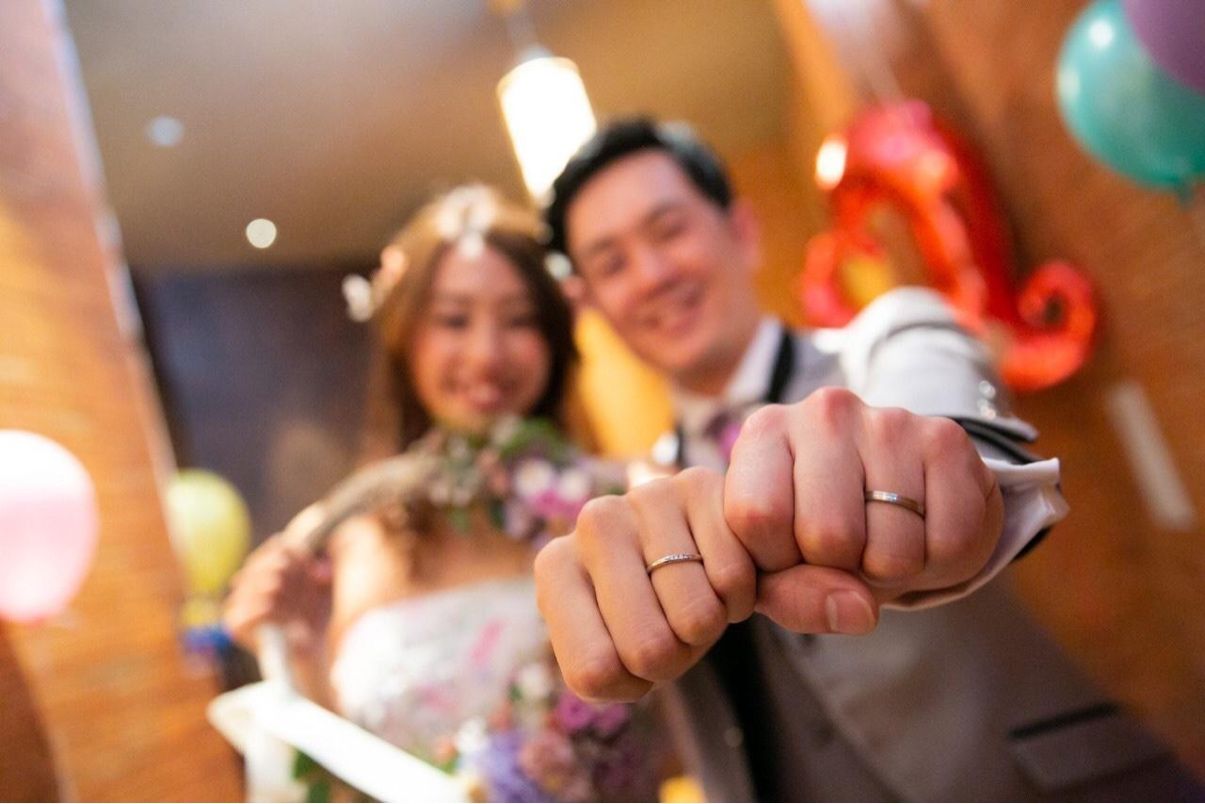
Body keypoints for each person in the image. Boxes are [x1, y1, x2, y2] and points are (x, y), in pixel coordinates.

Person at [534, 118, 1203, 800]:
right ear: (591, 304)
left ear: (742, 231)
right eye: (611, 264)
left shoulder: (892, 338)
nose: (651, 276)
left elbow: (956, 439)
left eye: (668, 230)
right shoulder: (635, 503)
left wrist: (950, 490)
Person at [223, 185, 664, 802]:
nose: (486, 355)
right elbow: (332, 784)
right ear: (406, 338)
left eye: (519, 320)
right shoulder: (336, 540)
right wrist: (298, 656)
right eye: (454, 320)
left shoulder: (625, 504)